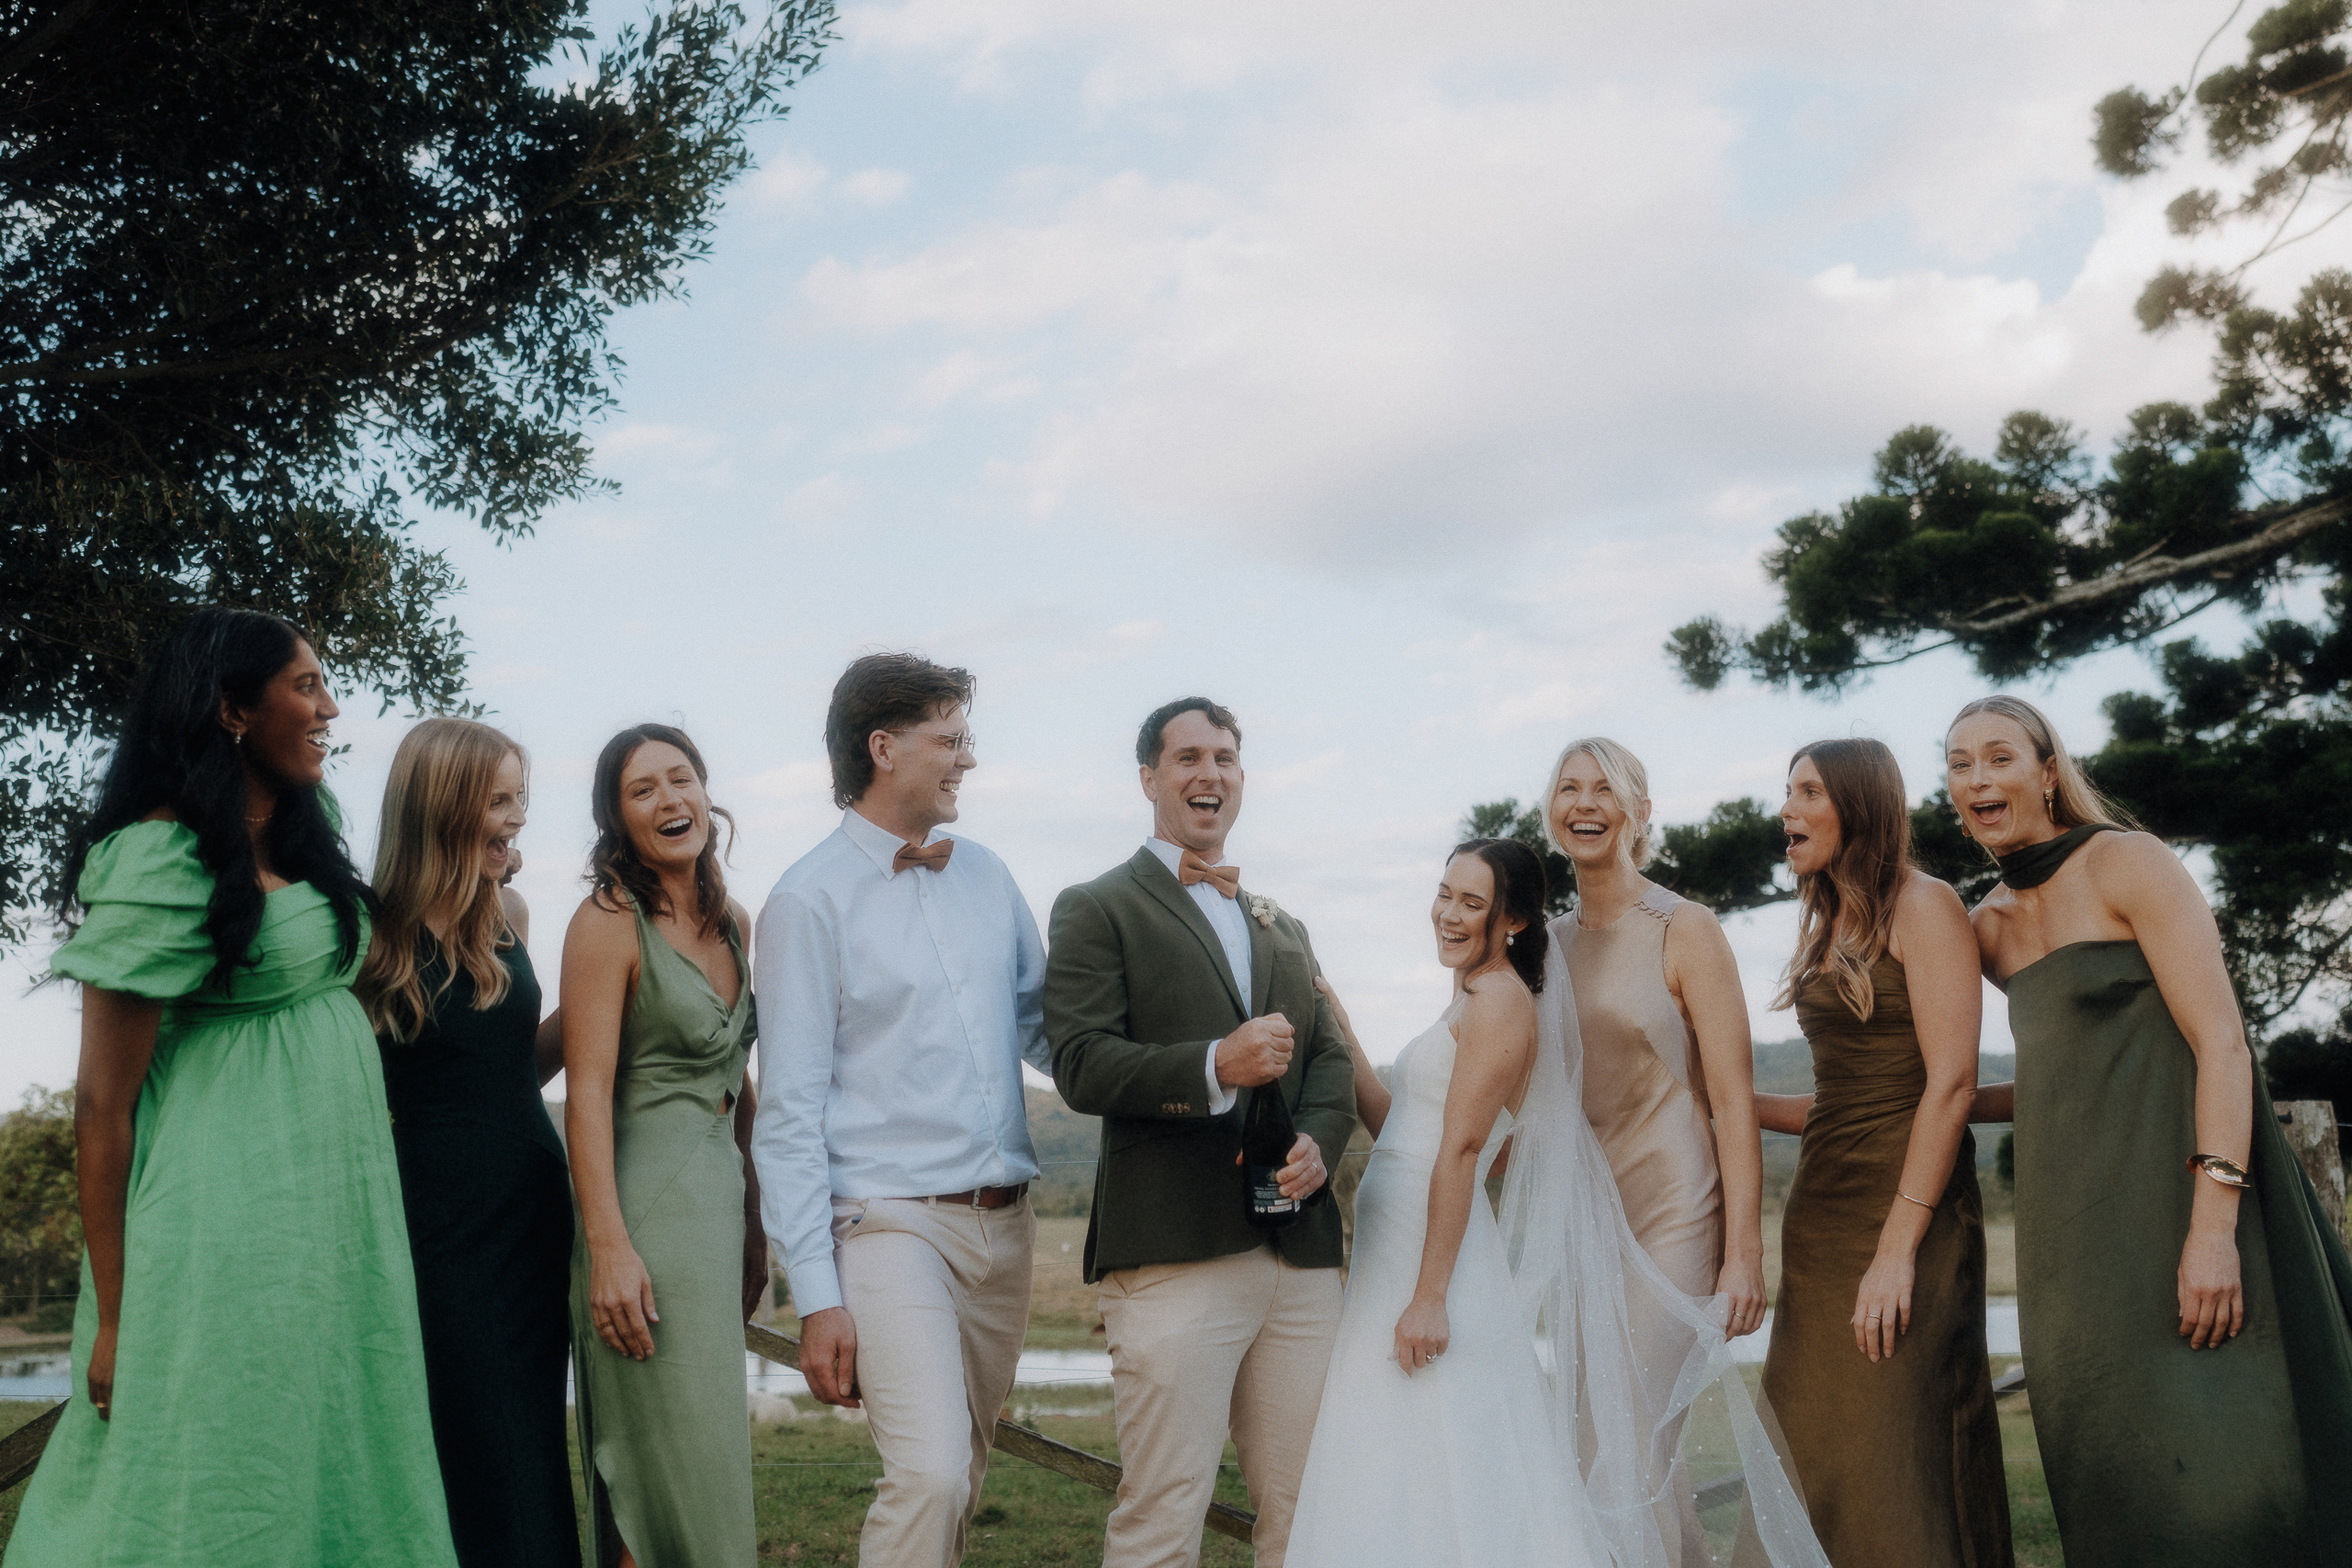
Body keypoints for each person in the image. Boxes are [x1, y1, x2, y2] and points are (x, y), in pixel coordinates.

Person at [10, 607, 457, 1567]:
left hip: (331, 1215)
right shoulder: (157, 860)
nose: (330, 707)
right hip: (221, 1222)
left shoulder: (311, 825)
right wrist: (119, 1317)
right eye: (306, 686)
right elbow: (102, 1107)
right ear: (232, 711)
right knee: (220, 1460)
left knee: (338, 1440)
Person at [1948, 694, 2352, 1566]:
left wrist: (2213, 1232)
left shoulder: (2127, 863)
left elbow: (2221, 1043)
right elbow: (2068, 1074)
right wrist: (1935, 1104)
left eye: (1999, 757)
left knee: (2242, 1477)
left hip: (2192, 1200)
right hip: (2076, 1237)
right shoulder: (1985, 928)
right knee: (2113, 1478)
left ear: (2047, 771)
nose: (1978, 777)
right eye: (1959, 764)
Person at [753, 654, 1049, 1567]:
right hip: (884, 1224)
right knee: (928, 1476)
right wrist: (815, 1296)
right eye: (949, 739)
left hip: (1006, 1229)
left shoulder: (989, 876)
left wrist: (1196, 1063)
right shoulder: (807, 901)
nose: (968, 758)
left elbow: (1050, 1034)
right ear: (884, 748)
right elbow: (789, 1109)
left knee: (961, 1472)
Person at [1045, 698, 1355, 1568]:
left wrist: (1321, 1144)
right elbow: (1080, 1063)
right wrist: (1215, 1061)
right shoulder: (1096, 906)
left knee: (1308, 1508)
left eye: (1224, 757)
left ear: (1242, 778)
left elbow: (1326, 1057)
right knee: (1163, 1510)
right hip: (1174, 1251)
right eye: (1186, 758)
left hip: (1300, 1259)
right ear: (1148, 777)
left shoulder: (1281, 923)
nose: (1207, 774)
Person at [1289, 840, 1600, 1566]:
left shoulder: (1498, 998)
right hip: (1393, 1247)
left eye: (1471, 902)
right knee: (1393, 1439)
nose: (1447, 914)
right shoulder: (1469, 991)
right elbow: (1396, 1125)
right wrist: (1336, 1016)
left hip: (1434, 1258)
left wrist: (1431, 1295)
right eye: (1444, 893)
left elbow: (1461, 1152)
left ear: (1515, 919)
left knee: (1442, 1437)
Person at [1752, 738, 2012, 1568]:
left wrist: (1897, 1251)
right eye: (1786, 792)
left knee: (1894, 1451)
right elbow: (1845, 1100)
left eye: (1807, 793)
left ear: (1859, 805)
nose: (1786, 810)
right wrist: (1729, 1104)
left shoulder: (1925, 903)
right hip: (1822, 1223)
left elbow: (1951, 1082)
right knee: (1812, 1445)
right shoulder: (1828, 922)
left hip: (1909, 1219)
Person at [358, 717, 578, 1568]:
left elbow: (513, 1066)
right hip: (433, 1219)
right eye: (499, 800)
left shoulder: (509, 910)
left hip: (531, 1204)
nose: (517, 818)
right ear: (444, 805)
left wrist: (600, 1001)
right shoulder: (366, 932)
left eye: (520, 798)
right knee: (464, 1432)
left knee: (528, 1431)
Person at [1541, 737, 1767, 1562]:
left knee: (1629, 1435)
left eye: (1606, 788)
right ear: (1552, 811)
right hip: (1585, 1219)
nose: (1586, 803)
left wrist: (1743, 1253)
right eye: (1570, 788)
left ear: (1640, 810)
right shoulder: (1545, 944)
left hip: (1676, 1205)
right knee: (1610, 1440)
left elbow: (1733, 1101)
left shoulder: (1685, 927)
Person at [563, 723, 763, 1568]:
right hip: (642, 1213)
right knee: (655, 1464)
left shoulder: (733, 922)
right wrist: (609, 1245)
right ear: (618, 817)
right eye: (642, 789)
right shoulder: (608, 921)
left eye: (679, 778)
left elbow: (736, 1080)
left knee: (713, 1457)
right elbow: (585, 1095)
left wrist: (757, 1225)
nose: (669, 799)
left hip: (716, 1208)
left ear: (705, 791)